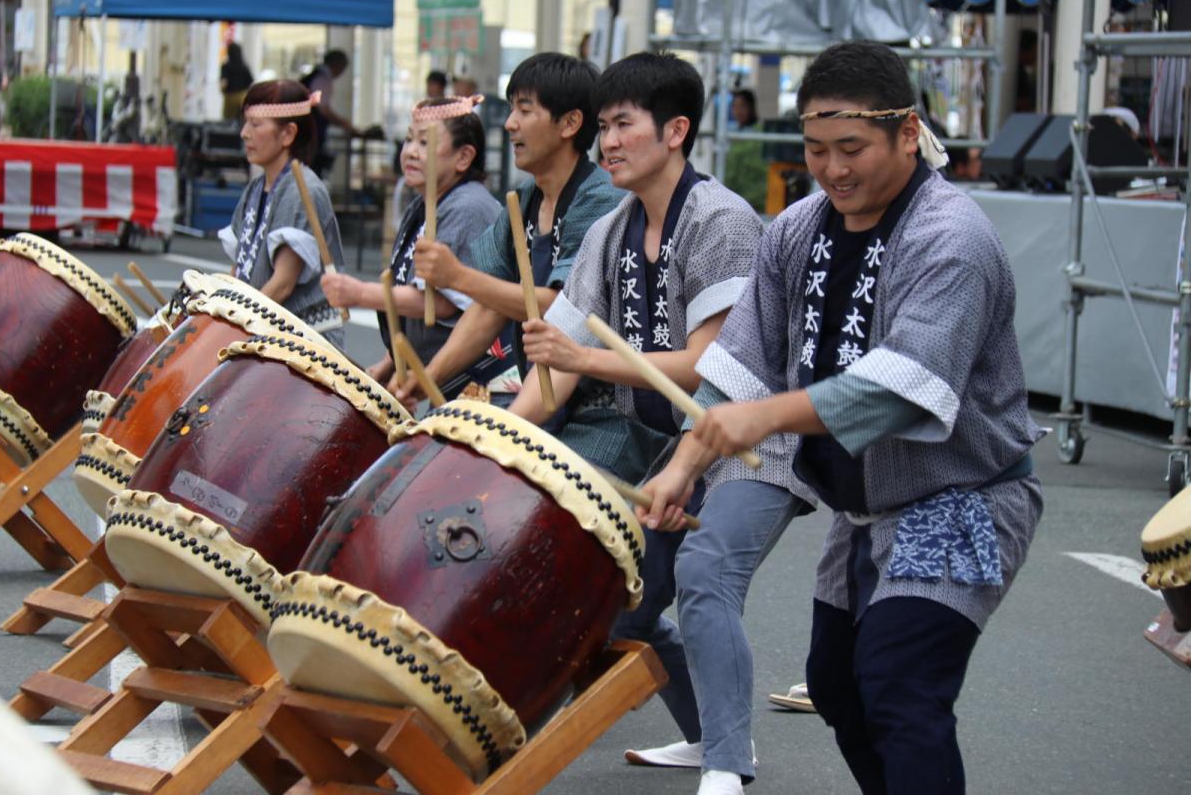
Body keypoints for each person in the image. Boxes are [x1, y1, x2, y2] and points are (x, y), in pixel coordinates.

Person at [639, 40, 1044, 794]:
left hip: (962, 498)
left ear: (907, 132)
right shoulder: (798, 230)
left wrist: (763, 419)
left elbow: (901, 385)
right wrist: (682, 470)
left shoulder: (951, 238)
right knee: (836, 682)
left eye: (851, 147)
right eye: (817, 149)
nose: (833, 168)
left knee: (898, 680)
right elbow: (738, 363)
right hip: (864, 511)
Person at [512, 52, 768, 795]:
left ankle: (728, 761)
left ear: (676, 130)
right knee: (624, 600)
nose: (608, 143)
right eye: (603, 128)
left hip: (750, 439)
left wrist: (583, 363)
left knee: (703, 572)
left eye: (623, 125)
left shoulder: (722, 221)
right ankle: (709, 734)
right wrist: (493, 434)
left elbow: (709, 365)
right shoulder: (613, 230)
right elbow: (553, 363)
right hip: (673, 445)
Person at [393, 52, 622, 413]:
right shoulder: (525, 198)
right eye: (512, 109)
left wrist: (457, 276)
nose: (510, 124)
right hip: (537, 395)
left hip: (597, 414)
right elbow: (488, 308)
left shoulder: (601, 200)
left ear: (570, 123)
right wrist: (425, 380)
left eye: (525, 111)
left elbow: (560, 308)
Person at [320, 95, 500, 399]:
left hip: (473, 383)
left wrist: (359, 294)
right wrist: (390, 364)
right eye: (408, 140)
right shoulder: (426, 202)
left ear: (464, 157)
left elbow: (440, 302)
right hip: (437, 377)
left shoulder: (468, 206)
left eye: (425, 143)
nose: (411, 152)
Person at [219, 79, 345, 349]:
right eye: (245, 123)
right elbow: (240, 269)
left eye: (255, 124)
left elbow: (283, 284)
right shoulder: (255, 188)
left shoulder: (303, 189)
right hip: (262, 331)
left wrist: (236, 325)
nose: (244, 133)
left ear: (288, 134)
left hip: (303, 343)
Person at [302, 50, 362, 176]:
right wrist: (344, 124)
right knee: (310, 169)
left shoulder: (314, 76)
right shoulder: (322, 79)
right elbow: (323, 110)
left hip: (307, 130)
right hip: (311, 131)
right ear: (337, 65)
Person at [220, 42, 254, 121]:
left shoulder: (226, 66)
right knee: (242, 121)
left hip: (230, 97)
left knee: (228, 121)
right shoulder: (244, 66)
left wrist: (222, 91)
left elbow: (224, 82)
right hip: (242, 96)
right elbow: (250, 81)